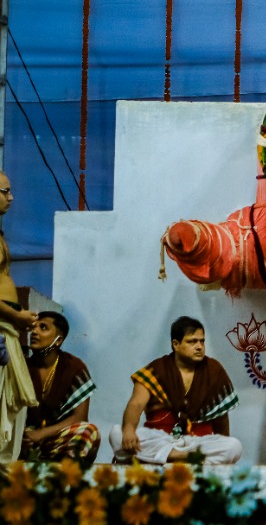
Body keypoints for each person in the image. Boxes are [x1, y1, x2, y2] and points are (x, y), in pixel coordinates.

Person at [109, 317, 242, 464]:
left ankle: (163, 458)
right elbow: (136, 404)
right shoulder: (155, 370)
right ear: (176, 344)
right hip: (160, 440)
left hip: (196, 443)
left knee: (233, 446)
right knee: (117, 433)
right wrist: (129, 430)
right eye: (192, 342)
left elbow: (221, 417)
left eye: (202, 341)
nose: (199, 346)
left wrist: (222, 445)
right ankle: (183, 457)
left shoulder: (214, 370)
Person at [21, 312, 100, 463]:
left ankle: (64, 471)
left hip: (57, 438)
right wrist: (25, 436)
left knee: (89, 431)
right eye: (33, 327)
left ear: (58, 340)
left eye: (43, 327)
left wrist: (42, 434)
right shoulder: (22, 366)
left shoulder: (74, 367)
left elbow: (79, 417)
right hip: (27, 439)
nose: (34, 332)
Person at [0, 172, 37, 463]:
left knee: (9, 413)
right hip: (5, 325)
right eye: (5, 191)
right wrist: (16, 315)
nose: (11, 197)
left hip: (7, 327)